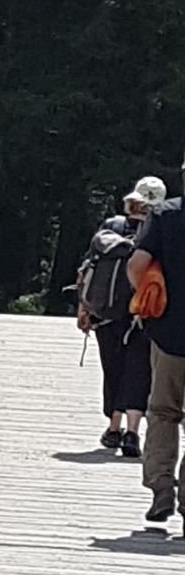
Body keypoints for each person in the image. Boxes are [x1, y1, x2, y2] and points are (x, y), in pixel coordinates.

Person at [77, 177, 164, 456]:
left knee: (112, 367)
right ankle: (132, 433)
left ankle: (113, 428)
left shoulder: (111, 226)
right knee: (139, 371)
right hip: (143, 312)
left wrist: (83, 307)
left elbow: (87, 268)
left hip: (107, 312)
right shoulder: (159, 230)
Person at [128, 163, 185, 528]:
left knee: (163, 411)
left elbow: (137, 264)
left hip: (169, 333)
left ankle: (162, 487)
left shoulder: (165, 214)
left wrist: (147, 300)